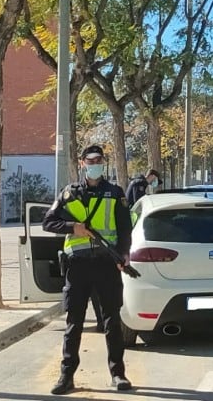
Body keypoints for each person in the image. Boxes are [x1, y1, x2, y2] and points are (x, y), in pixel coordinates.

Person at [43, 144, 133, 395]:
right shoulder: (70, 194)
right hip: (78, 266)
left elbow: (125, 227)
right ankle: (66, 376)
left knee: (112, 321)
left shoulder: (115, 193)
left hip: (106, 264)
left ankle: (118, 374)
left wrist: (123, 254)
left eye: (99, 159)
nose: (95, 163)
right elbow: (48, 222)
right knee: (74, 322)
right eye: (90, 160)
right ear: (82, 163)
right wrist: (73, 227)